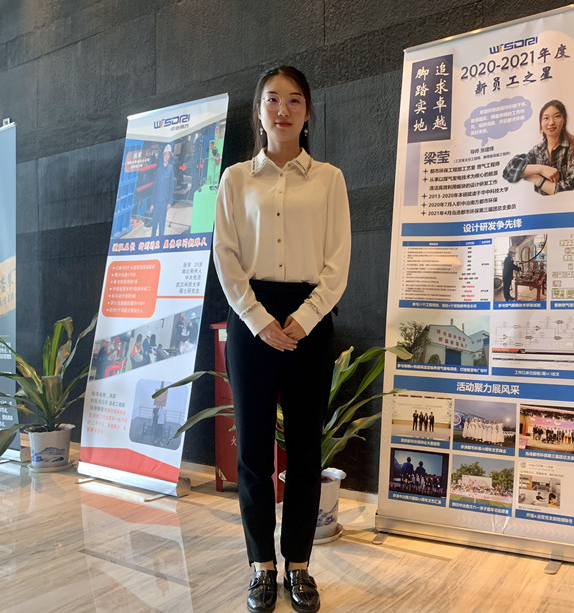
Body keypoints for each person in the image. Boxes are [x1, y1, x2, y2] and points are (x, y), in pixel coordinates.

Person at [213, 65, 351, 613]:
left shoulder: (329, 179)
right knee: (252, 451)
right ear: (259, 110)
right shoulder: (235, 180)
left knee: (305, 449)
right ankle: (261, 566)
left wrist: (306, 316)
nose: (283, 109)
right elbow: (226, 258)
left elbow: (337, 261)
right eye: (273, 99)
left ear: (308, 112)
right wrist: (257, 318)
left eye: (295, 100)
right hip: (251, 322)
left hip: (308, 323)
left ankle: (298, 564)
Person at [502, 100, 574, 195]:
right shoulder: (537, 150)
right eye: (546, 118)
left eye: (557, 116)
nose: (551, 123)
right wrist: (541, 169)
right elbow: (509, 172)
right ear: (540, 124)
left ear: (564, 120)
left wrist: (535, 179)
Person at [150, 144, 175, 238]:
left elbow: (171, 187)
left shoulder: (171, 169)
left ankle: (160, 243)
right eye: (165, 154)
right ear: (163, 156)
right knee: (154, 226)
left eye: (168, 154)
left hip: (164, 203)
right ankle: (152, 242)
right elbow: (154, 188)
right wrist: (152, 203)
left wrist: (169, 202)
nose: (166, 156)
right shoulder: (159, 170)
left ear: (169, 156)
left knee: (161, 226)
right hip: (157, 202)